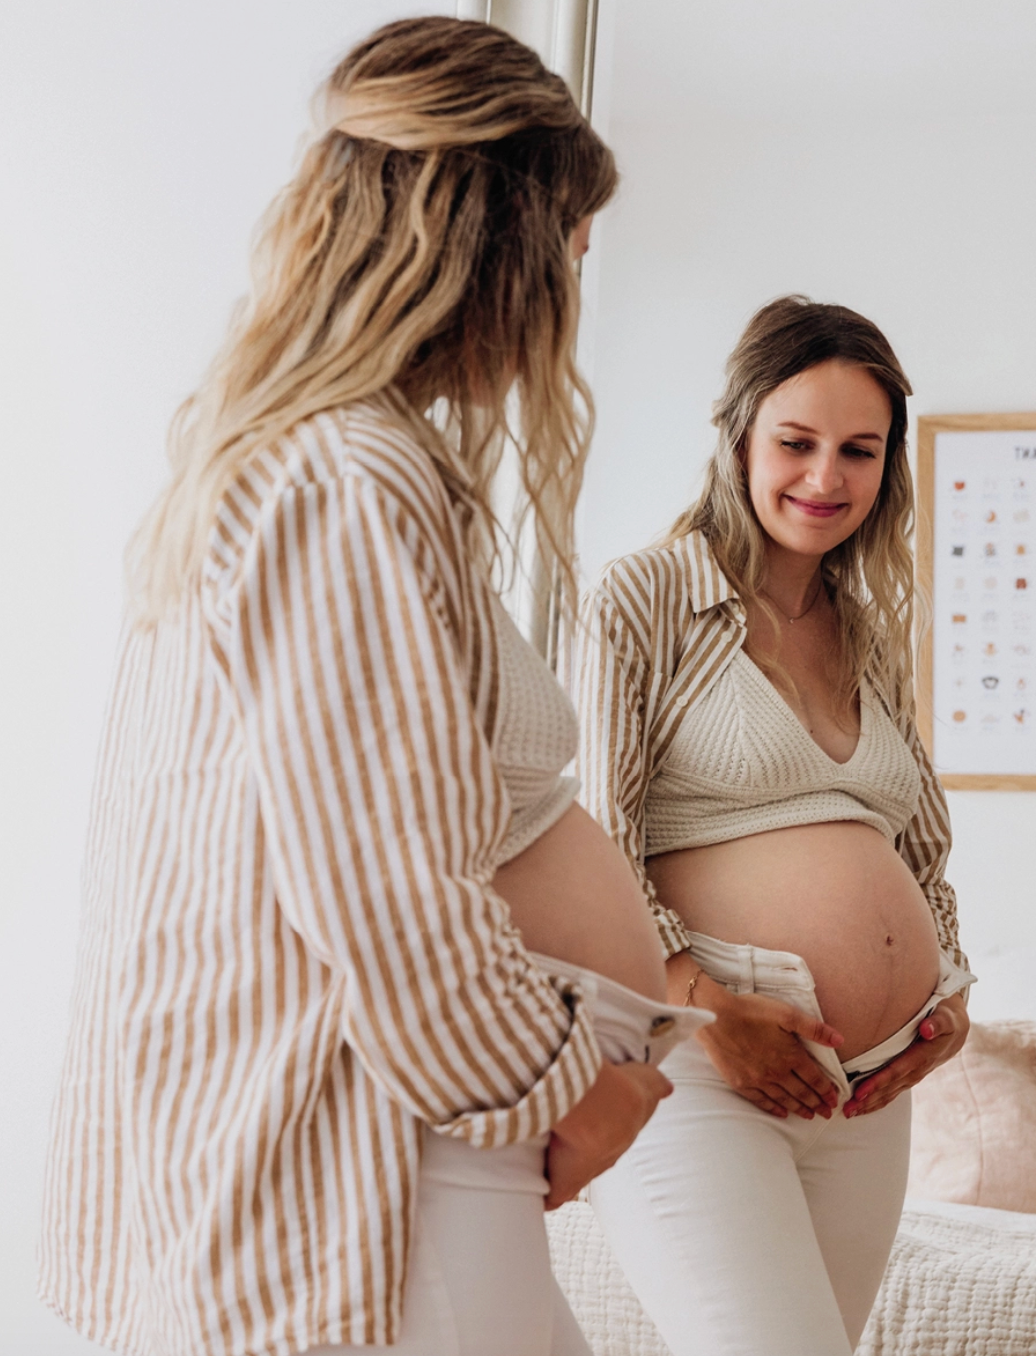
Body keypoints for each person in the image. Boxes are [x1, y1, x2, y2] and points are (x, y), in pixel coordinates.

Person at [38, 19, 707, 1356]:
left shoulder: (313, 464)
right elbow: (387, 893)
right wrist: (577, 1084)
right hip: (383, 1156)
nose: (574, 282)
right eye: (569, 244)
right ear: (492, 236)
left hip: (413, 1143)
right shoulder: (346, 481)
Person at [575, 296, 975, 1356]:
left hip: (864, 1088)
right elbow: (592, 834)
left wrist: (950, 990)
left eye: (859, 450)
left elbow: (919, 848)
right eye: (795, 443)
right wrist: (700, 1004)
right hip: (697, 1063)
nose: (824, 479)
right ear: (738, 437)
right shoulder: (644, 600)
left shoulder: (871, 633)